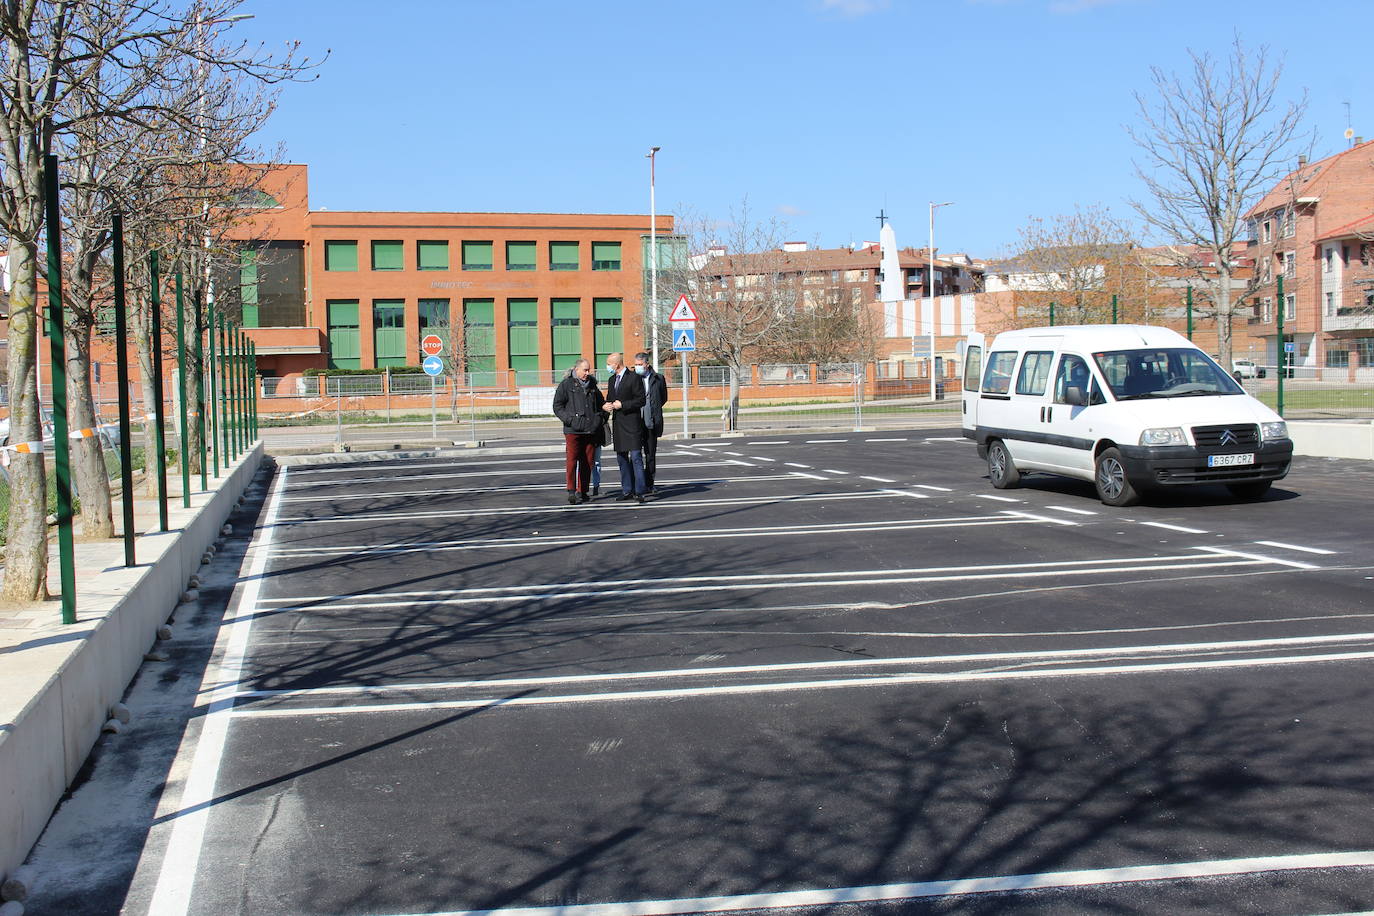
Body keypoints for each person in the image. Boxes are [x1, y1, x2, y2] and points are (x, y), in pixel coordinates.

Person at [552, 359, 604, 505]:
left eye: (589, 370)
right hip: (573, 430)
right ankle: (571, 491)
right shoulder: (566, 384)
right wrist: (569, 420)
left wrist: (598, 419)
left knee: (588, 462)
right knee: (572, 460)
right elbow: (557, 406)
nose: (587, 373)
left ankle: (583, 491)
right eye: (585, 370)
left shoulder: (592, 385)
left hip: (590, 430)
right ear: (576, 369)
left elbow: (601, 405)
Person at [602, 352, 648, 502]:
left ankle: (640, 491)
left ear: (617, 364)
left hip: (632, 423)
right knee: (621, 458)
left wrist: (623, 405)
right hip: (618, 424)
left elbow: (640, 400)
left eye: (609, 363)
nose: (608, 366)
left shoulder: (634, 377)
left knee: (635, 457)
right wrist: (607, 405)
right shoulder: (611, 379)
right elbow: (610, 398)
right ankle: (627, 489)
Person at [634, 351, 668, 493]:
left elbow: (663, 398)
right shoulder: (633, 379)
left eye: (640, 365)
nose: (637, 367)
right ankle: (638, 484)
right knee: (635, 455)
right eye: (635, 365)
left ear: (647, 364)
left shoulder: (658, 378)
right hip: (635, 423)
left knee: (650, 455)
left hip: (652, 421)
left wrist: (653, 410)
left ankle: (650, 483)